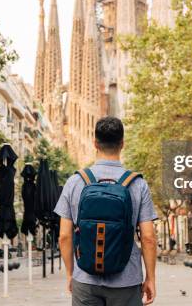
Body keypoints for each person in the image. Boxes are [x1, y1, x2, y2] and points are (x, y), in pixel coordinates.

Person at [55, 116, 158, 306]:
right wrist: (150, 278)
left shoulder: (74, 182)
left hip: (85, 279)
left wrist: (71, 273)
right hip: (126, 281)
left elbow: (64, 236)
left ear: (95, 143)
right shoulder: (138, 184)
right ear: (122, 144)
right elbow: (149, 237)